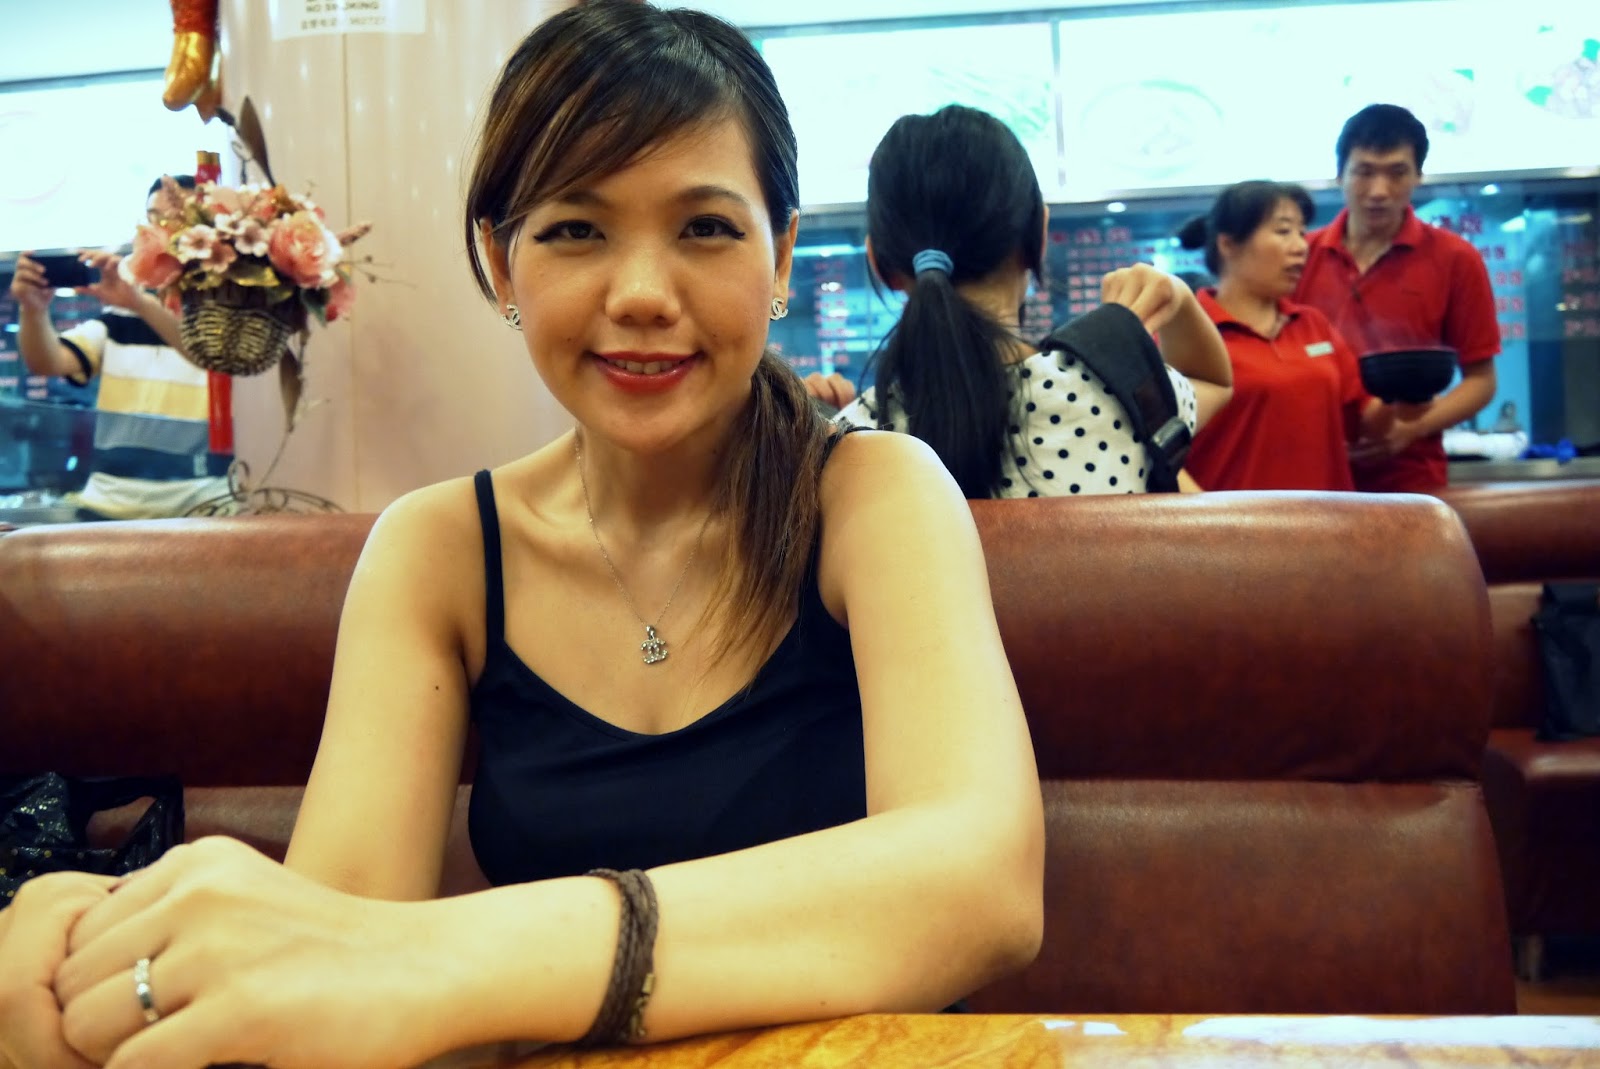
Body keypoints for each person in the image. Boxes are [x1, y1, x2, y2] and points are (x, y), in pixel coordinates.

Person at [0, 5, 1043, 1068]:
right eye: (576, 230)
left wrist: (438, 962)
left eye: (705, 228)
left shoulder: (873, 496)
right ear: (502, 265)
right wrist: (104, 960)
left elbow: (979, 880)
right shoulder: (440, 550)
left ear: (779, 258)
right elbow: (337, 937)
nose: (642, 295)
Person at [824, 104, 1232, 498]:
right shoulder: (1116, 395)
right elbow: (1216, 384)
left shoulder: (847, 444)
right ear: (1038, 238)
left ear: (879, 263)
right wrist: (1178, 297)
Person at [1294, 103, 1500, 493]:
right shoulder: (1300, 256)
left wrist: (1411, 430)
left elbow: (1482, 381)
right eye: (1364, 172)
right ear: (1340, 174)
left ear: (1418, 175)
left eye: (1397, 173)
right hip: (1311, 473)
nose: (1379, 191)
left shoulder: (1456, 258)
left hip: (1412, 477)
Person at [7, 175, 231, 520]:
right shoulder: (120, 317)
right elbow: (48, 362)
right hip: (109, 506)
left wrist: (140, 303)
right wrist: (33, 309)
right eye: (152, 218)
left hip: (204, 508)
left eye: (175, 219)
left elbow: (211, 356)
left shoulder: (230, 321)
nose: (157, 231)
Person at [1177, 180, 1387, 491]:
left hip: (1330, 518)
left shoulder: (1313, 324)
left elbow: (1365, 423)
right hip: (1234, 520)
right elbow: (1151, 446)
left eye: (1302, 232)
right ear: (1228, 244)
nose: (1301, 246)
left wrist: (1406, 391)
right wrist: (1204, 514)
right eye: (1283, 231)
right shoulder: (1186, 332)